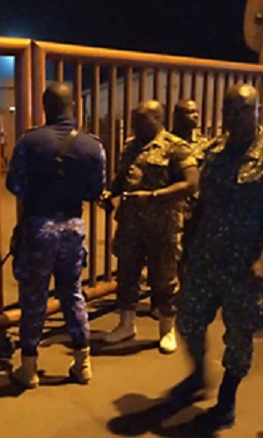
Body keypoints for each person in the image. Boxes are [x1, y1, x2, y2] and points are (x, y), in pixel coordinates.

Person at [171, 84, 263, 430]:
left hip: (246, 263)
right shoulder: (214, 152)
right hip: (207, 254)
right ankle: (199, 375)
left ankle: (226, 400)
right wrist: (188, 247)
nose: (234, 117)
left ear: (257, 111)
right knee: (188, 319)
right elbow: (204, 203)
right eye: (229, 110)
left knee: (239, 336)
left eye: (242, 110)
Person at [6, 82, 105, 388]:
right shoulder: (92, 145)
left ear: (45, 106)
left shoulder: (29, 142)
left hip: (39, 227)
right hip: (74, 228)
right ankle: (82, 364)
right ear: (73, 106)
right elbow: (96, 191)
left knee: (34, 297)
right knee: (72, 292)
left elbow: (14, 184)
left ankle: (30, 368)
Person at [101, 100, 198, 354]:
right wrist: (110, 192)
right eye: (135, 120)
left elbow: (190, 183)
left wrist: (154, 195)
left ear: (157, 119)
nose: (136, 125)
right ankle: (126, 324)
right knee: (126, 274)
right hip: (131, 224)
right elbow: (122, 177)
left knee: (164, 279)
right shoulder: (130, 146)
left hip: (163, 225)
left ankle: (167, 329)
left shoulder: (175, 147)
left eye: (142, 120)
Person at [172, 99, 210, 167]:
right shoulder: (167, 143)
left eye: (197, 112)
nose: (196, 115)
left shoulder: (205, 143)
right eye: (190, 112)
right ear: (177, 116)